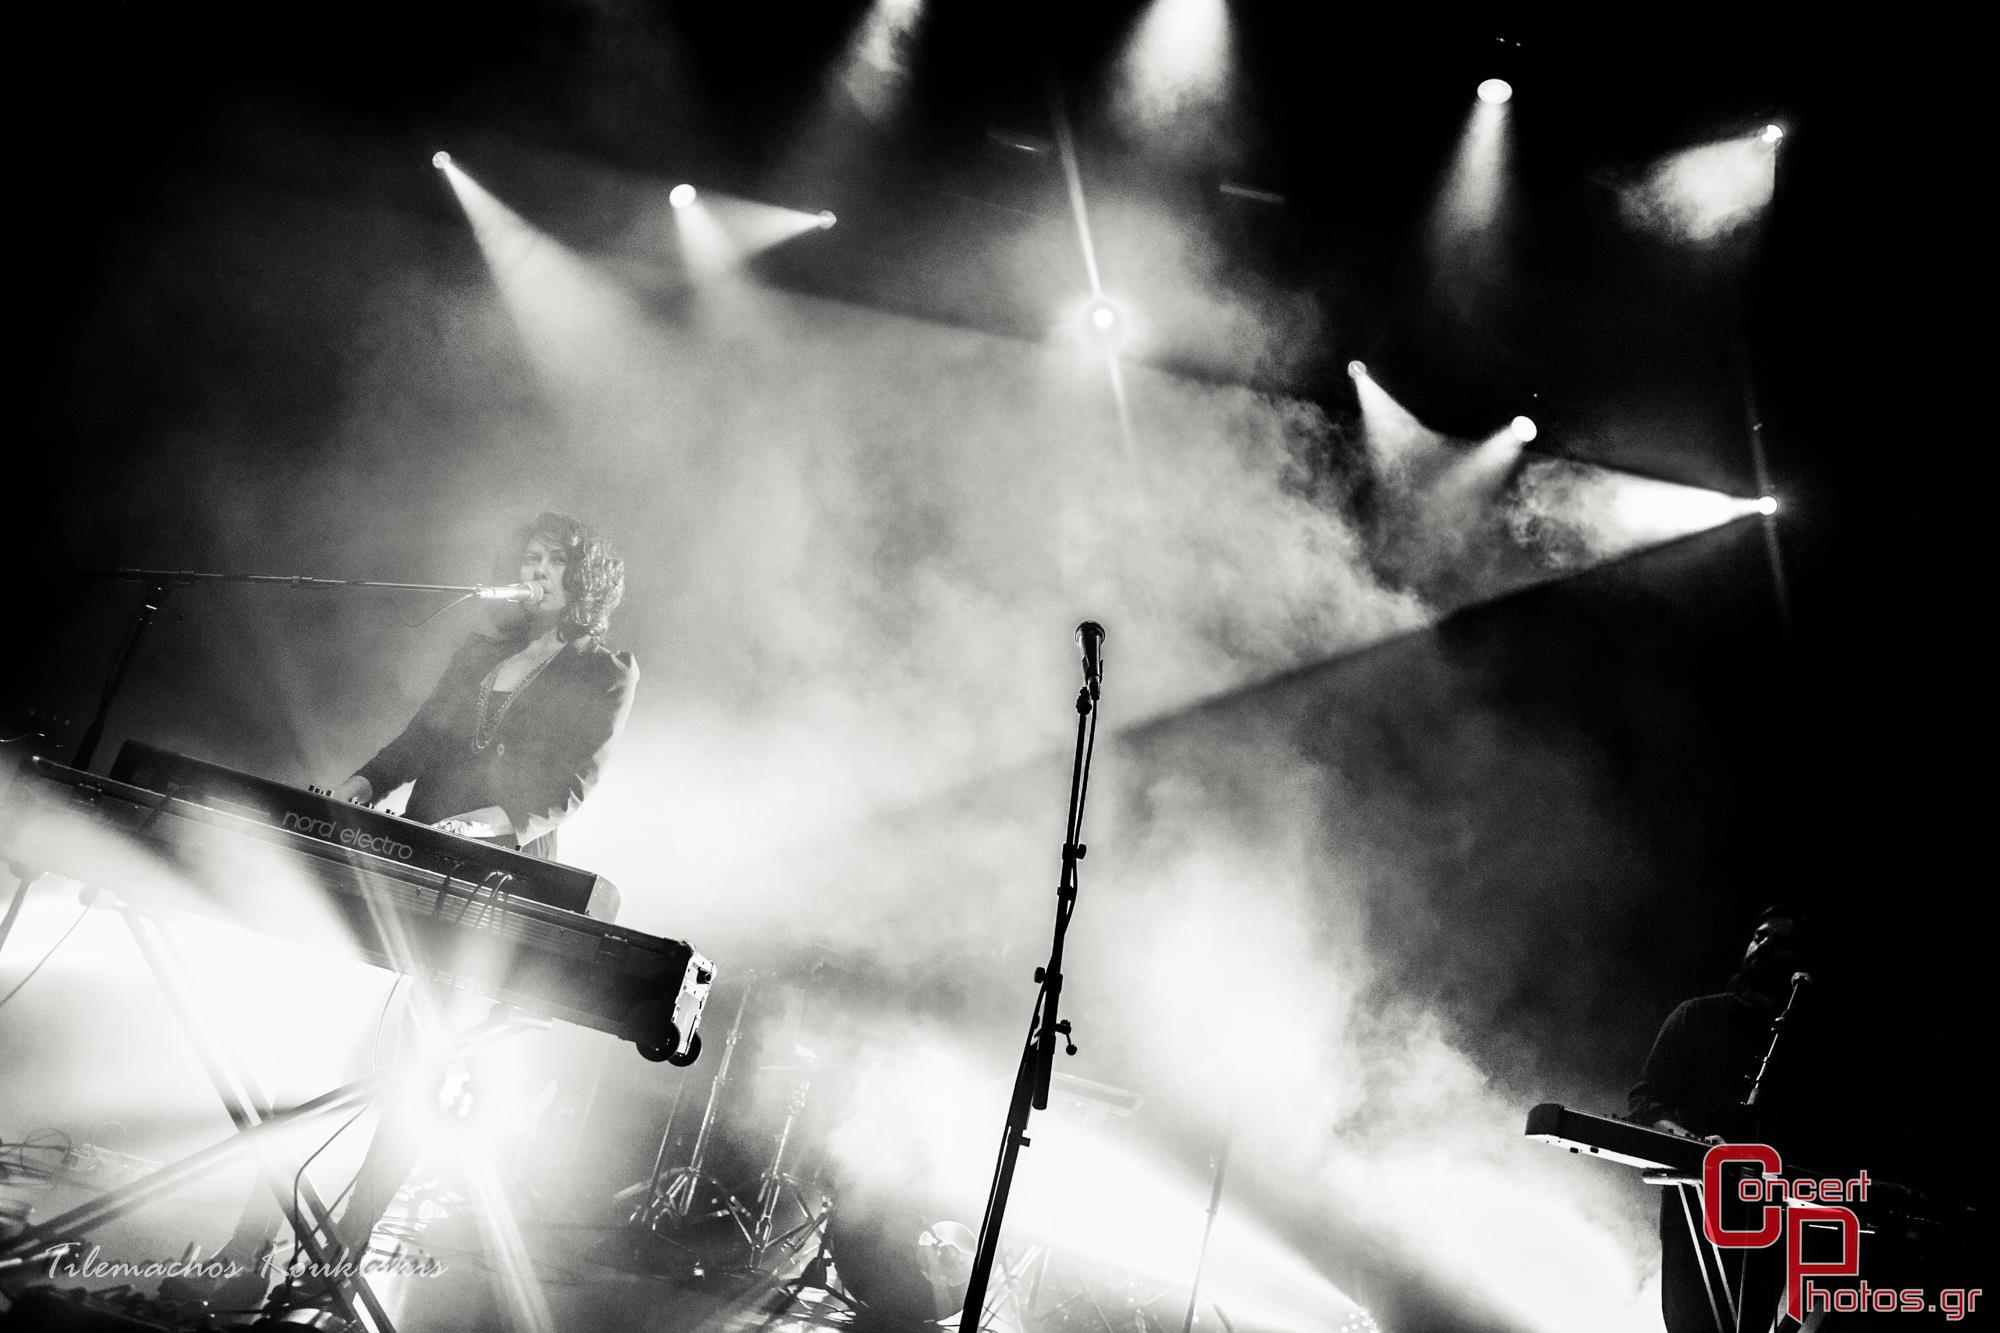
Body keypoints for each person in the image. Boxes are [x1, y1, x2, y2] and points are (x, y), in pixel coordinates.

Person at [164, 511, 637, 1309]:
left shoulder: (606, 671)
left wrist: (483, 825)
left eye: (552, 561)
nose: (535, 571)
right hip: (416, 853)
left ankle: (336, 1264)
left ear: (583, 579)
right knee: (334, 1054)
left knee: (419, 1071)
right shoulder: (481, 650)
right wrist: (359, 785)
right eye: (528, 557)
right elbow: (418, 740)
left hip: (500, 878)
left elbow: (571, 785)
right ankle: (248, 1247)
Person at [1629, 905, 1827, 1333]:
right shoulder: (1695, 1016)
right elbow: (1646, 1103)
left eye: (1780, 941)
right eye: (1759, 936)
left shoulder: (1809, 1046)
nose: (1764, 945)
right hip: (1696, 1208)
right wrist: (1695, 1143)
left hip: (1771, 1215)